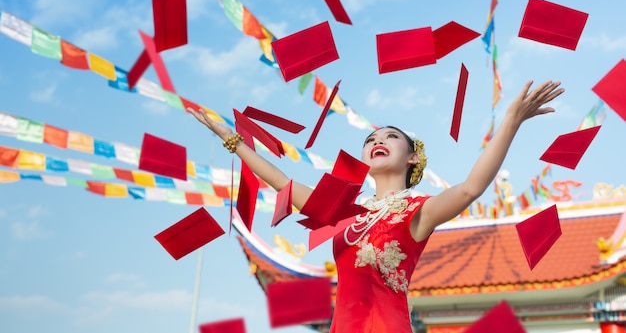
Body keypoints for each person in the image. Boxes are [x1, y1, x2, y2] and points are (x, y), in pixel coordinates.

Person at [187, 79, 564, 333]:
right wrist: (234, 142)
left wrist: (512, 121)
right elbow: (283, 183)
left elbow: (469, 189)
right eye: (371, 138)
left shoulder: (418, 210)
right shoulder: (345, 212)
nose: (378, 140)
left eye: (391, 137)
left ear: (413, 158)